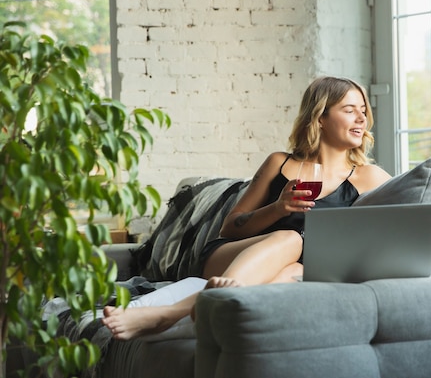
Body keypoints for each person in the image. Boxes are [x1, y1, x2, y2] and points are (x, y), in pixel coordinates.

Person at [101, 76, 393, 340]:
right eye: (349, 109)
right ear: (320, 117)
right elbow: (231, 227)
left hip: (304, 267)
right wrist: (278, 208)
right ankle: (168, 314)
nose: (361, 119)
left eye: (364, 111)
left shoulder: (371, 177)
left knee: (294, 271)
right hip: (230, 256)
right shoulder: (280, 162)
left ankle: (211, 310)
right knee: (291, 238)